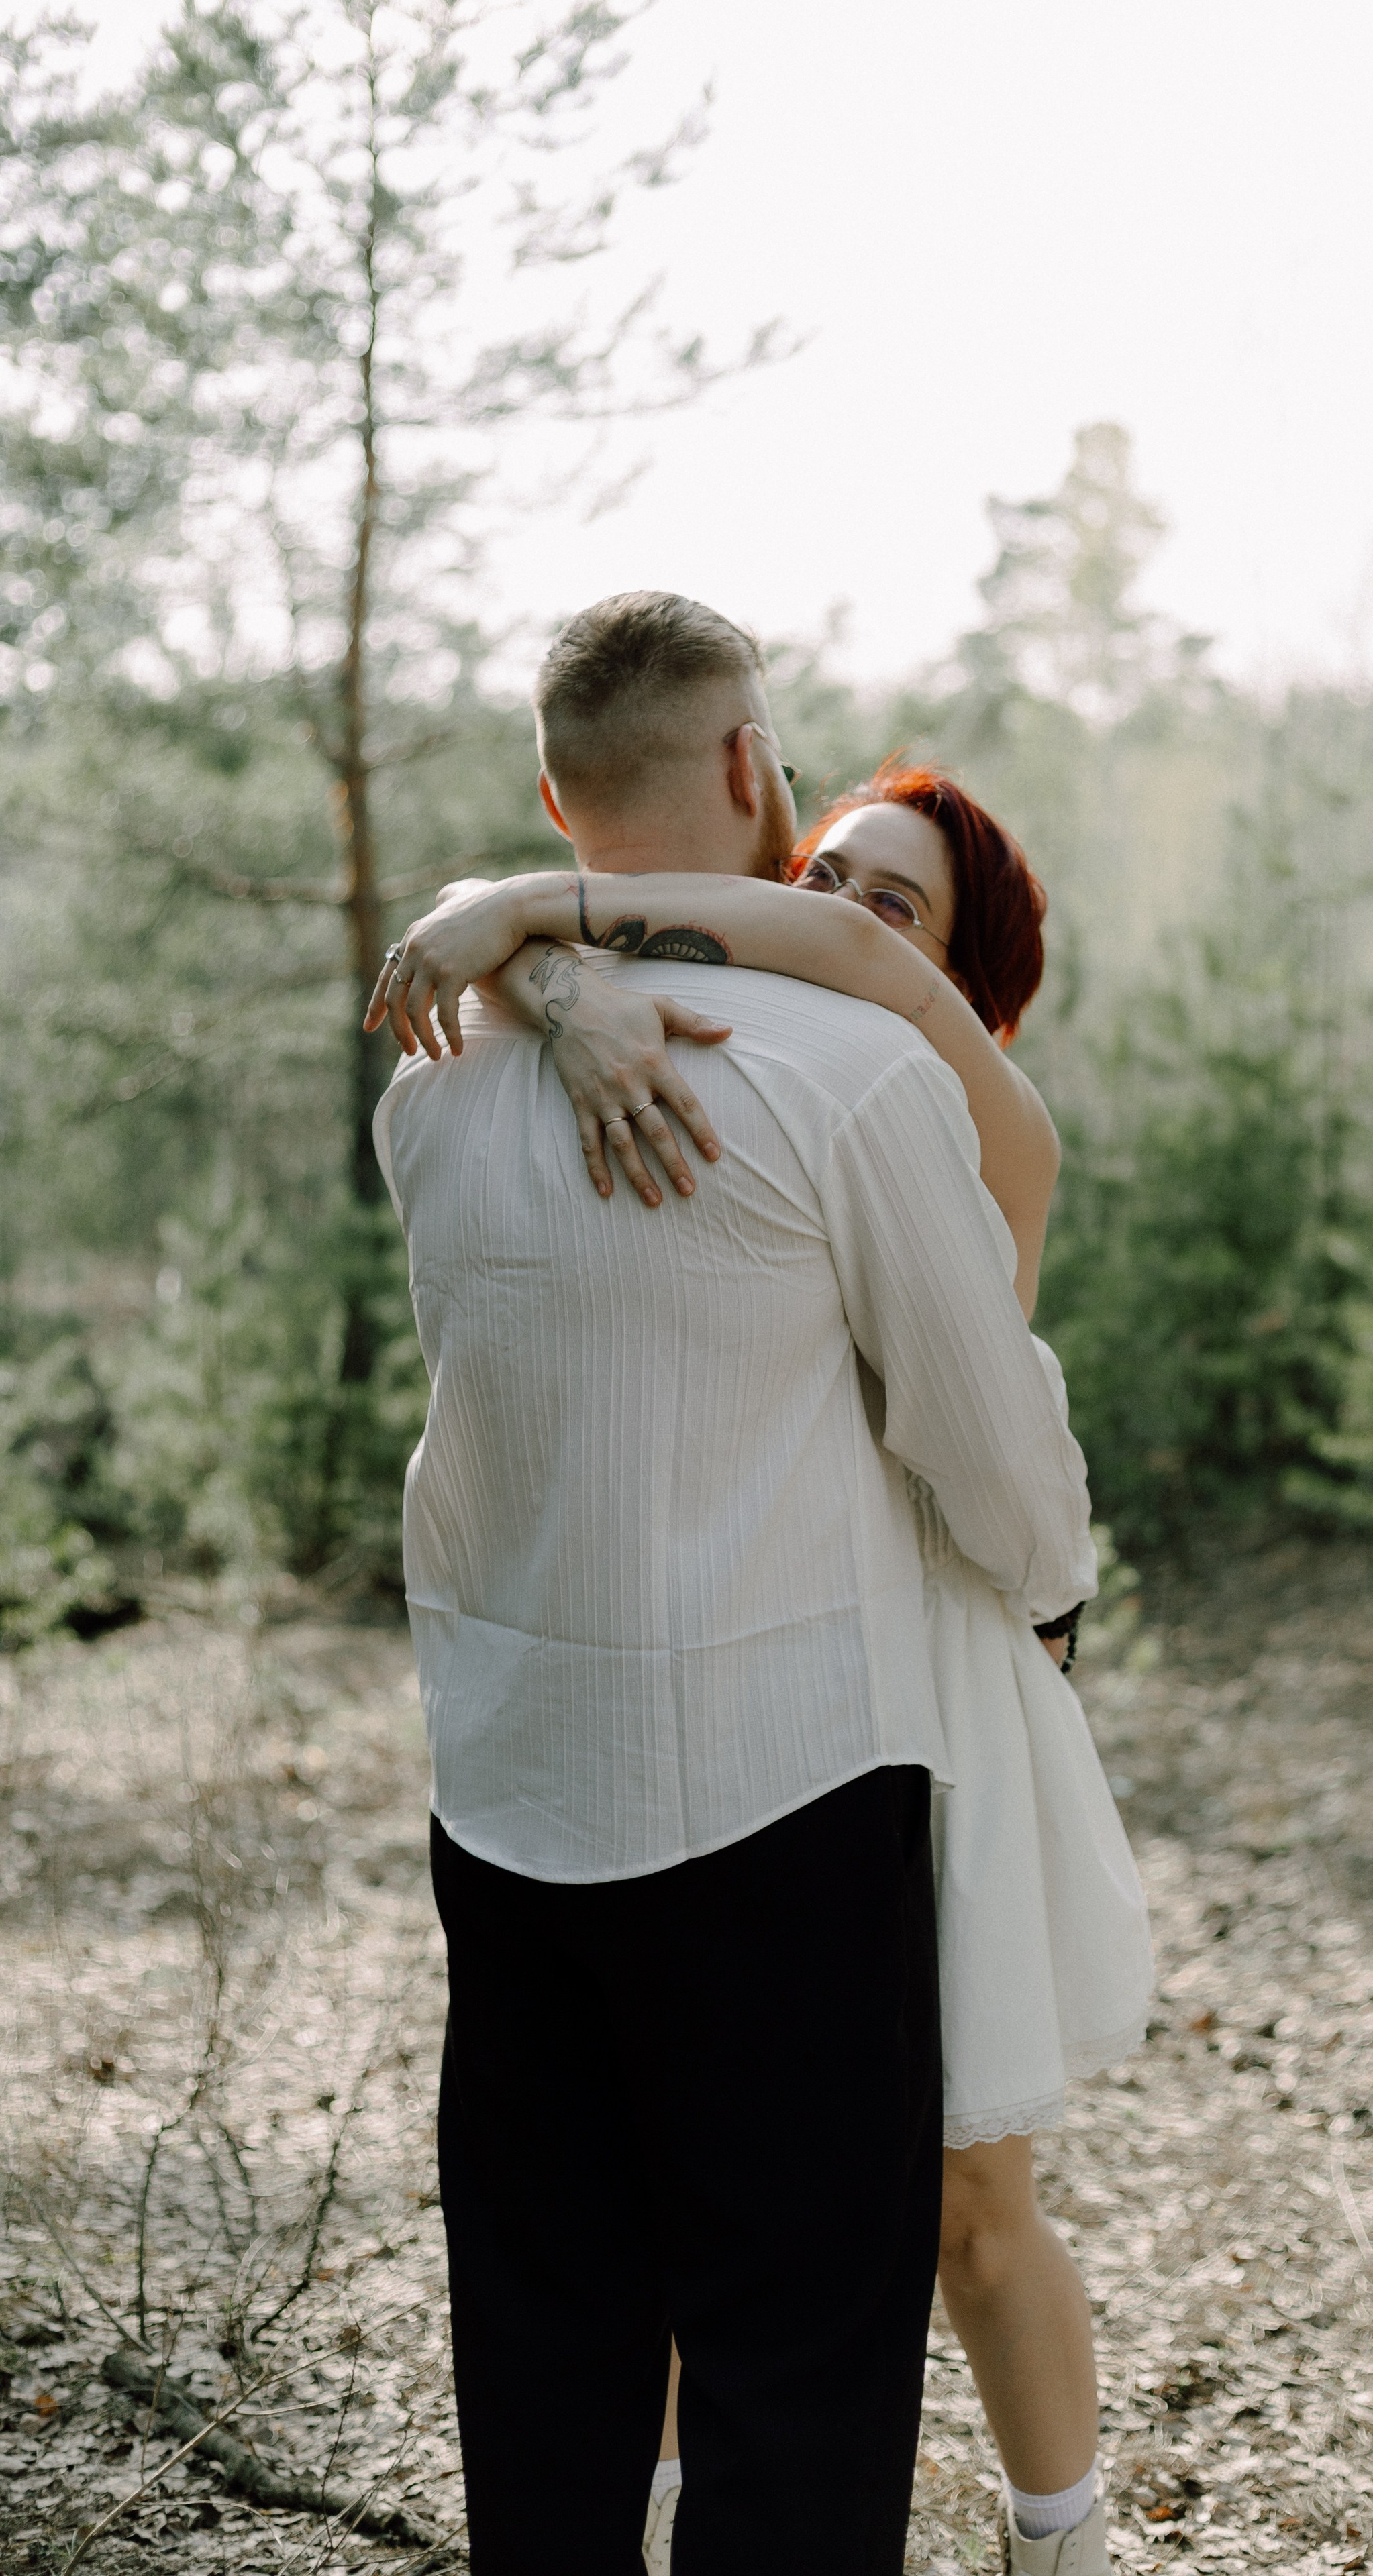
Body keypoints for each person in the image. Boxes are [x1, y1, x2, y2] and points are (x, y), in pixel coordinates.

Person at [368, 592, 1097, 2576]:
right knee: (793, 2374)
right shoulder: (853, 1085)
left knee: (547, 2353)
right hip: (782, 1813)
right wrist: (1052, 1581)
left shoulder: (427, 1089)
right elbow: (999, 1464)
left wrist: (549, 969)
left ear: (548, 799)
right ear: (757, 769)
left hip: (512, 1807)